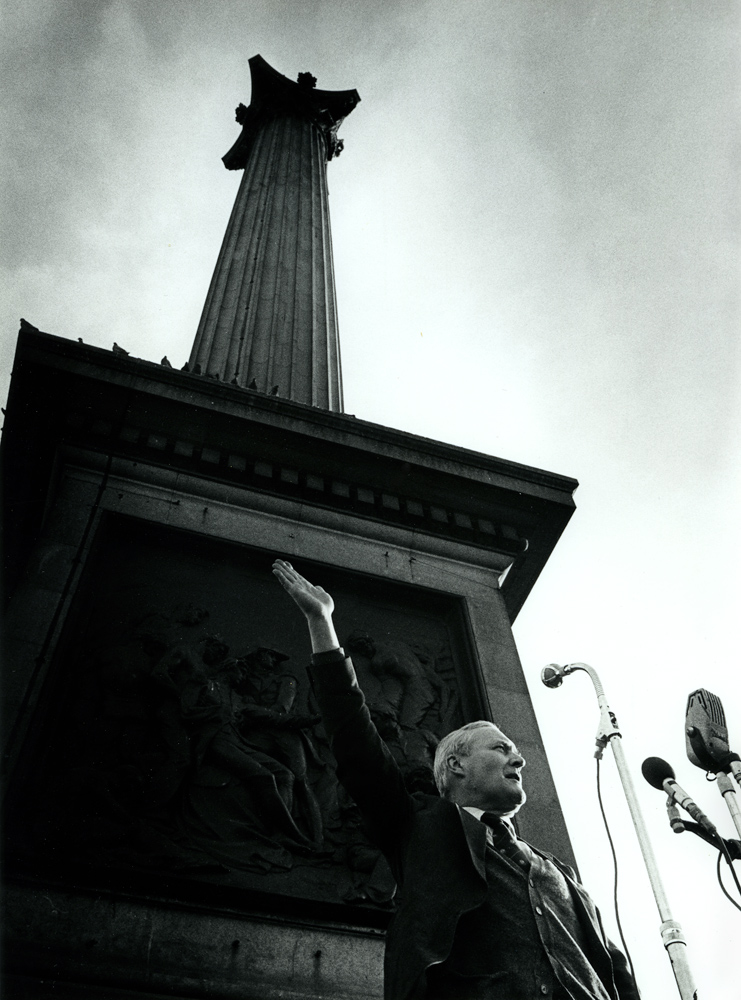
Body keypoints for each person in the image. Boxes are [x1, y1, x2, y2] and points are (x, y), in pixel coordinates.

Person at [272, 559, 640, 1000]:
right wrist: (322, 624)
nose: (519, 760)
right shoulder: (418, 829)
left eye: (517, 752)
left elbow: (616, 974)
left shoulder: (561, 873)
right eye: (501, 748)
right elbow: (356, 744)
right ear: (456, 766)